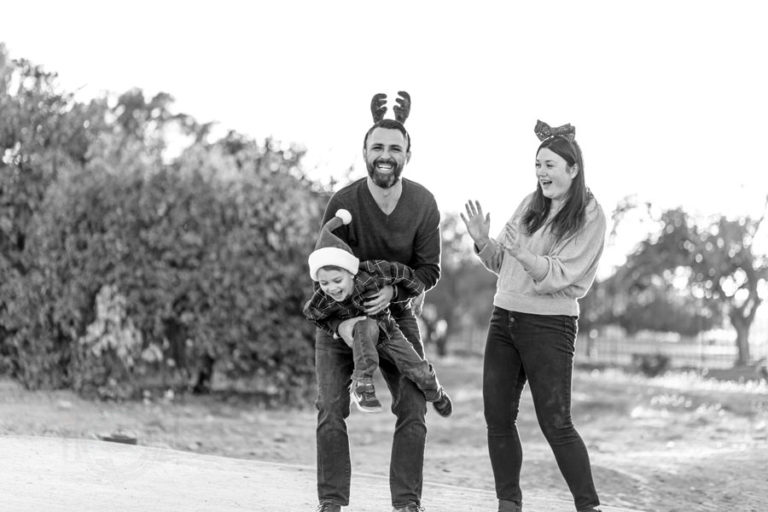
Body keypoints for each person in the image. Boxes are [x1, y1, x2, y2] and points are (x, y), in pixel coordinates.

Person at [460, 120, 606, 512]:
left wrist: (524, 256)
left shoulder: (590, 215)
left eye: (550, 165)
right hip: (504, 318)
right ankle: (508, 503)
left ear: (573, 169)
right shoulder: (529, 205)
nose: (541, 172)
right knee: (497, 419)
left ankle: (588, 506)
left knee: (556, 424)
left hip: (549, 326)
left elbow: (563, 275)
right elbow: (502, 263)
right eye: (538, 164)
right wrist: (481, 240)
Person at [313, 91, 442, 512]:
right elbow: (326, 271)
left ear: (408, 154)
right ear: (365, 152)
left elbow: (429, 271)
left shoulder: (423, 204)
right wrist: (341, 325)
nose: (385, 155)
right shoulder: (344, 202)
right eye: (378, 147)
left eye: (394, 148)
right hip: (340, 318)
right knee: (331, 410)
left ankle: (407, 503)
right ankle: (331, 502)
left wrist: (394, 292)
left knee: (413, 408)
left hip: (395, 317)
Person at [303, 208, 452, 415]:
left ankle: (436, 393)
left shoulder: (372, 273)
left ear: (351, 272)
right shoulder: (322, 299)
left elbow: (400, 271)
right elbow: (313, 315)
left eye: (337, 280)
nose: (332, 288)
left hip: (389, 332)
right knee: (364, 324)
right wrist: (337, 327)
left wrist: (413, 289)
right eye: (324, 282)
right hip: (363, 334)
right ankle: (362, 384)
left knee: (419, 371)